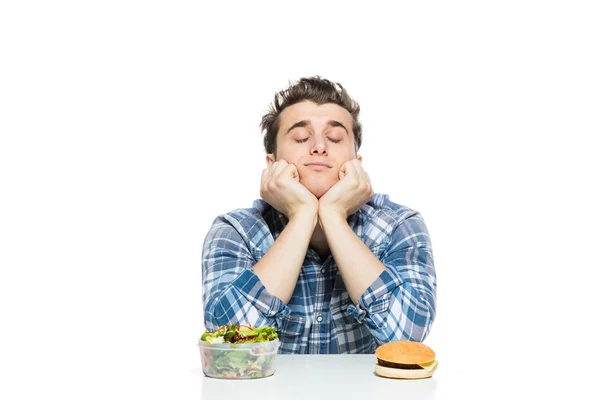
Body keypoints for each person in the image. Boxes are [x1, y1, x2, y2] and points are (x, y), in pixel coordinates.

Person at [202, 76, 436, 354]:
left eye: (335, 138)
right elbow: (228, 343)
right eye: (301, 137)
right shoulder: (234, 230)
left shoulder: (401, 225)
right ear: (272, 164)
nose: (319, 147)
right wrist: (302, 215)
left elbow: (407, 337)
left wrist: (333, 215)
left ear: (356, 165)